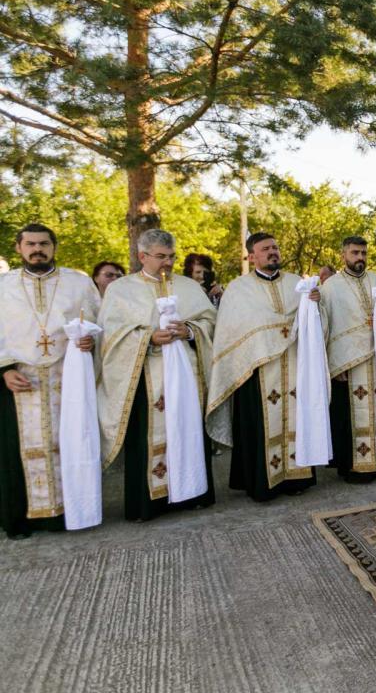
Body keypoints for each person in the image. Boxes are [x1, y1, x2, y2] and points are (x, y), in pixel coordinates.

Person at [97, 229, 217, 522]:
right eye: (161, 256)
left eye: (171, 256)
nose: (168, 262)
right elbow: (111, 334)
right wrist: (148, 337)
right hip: (144, 377)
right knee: (148, 438)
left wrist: (189, 330)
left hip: (186, 375)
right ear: (142, 256)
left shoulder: (189, 286)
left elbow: (210, 320)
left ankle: (193, 492)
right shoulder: (121, 289)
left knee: (188, 428)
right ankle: (148, 503)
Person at [0, 224, 101, 538]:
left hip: (67, 378)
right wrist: (3, 370)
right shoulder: (3, 286)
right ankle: (21, 518)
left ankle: (69, 512)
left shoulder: (79, 283)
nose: (37, 249)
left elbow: (100, 324)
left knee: (70, 443)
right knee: (16, 451)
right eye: (30, 244)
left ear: (54, 247)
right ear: (19, 248)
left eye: (44, 243)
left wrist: (91, 342)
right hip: (19, 377)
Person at [206, 233, 318, 501]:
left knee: (296, 418)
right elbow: (231, 332)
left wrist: (315, 304)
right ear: (252, 256)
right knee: (258, 426)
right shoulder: (237, 289)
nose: (273, 252)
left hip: (294, 365)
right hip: (256, 370)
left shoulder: (296, 284)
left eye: (276, 247)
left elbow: (314, 323)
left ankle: (296, 477)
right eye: (265, 249)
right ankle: (262, 482)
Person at [321, 236, 376, 482]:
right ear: (343, 255)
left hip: (375, 358)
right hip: (347, 361)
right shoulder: (330, 287)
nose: (360, 257)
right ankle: (351, 467)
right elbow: (326, 327)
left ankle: (375, 463)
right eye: (355, 253)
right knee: (348, 415)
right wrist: (333, 364)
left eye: (363, 253)